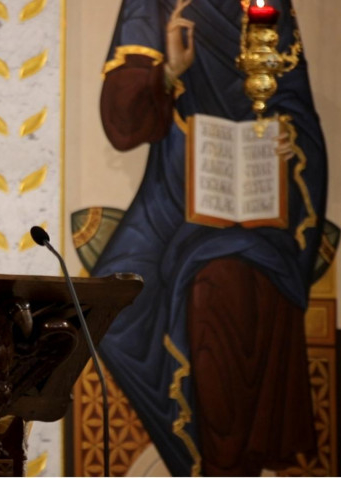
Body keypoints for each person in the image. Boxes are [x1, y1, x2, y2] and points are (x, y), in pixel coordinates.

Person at [95, 0, 325, 476]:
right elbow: (121, 124)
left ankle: (226, 465)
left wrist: (288, 138)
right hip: (173, 198)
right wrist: (168, 72)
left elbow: (296, 107)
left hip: (259, 202)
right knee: (110, 312)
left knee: (225, 288)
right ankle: (197, 457)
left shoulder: (269, 5)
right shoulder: (154, 4)